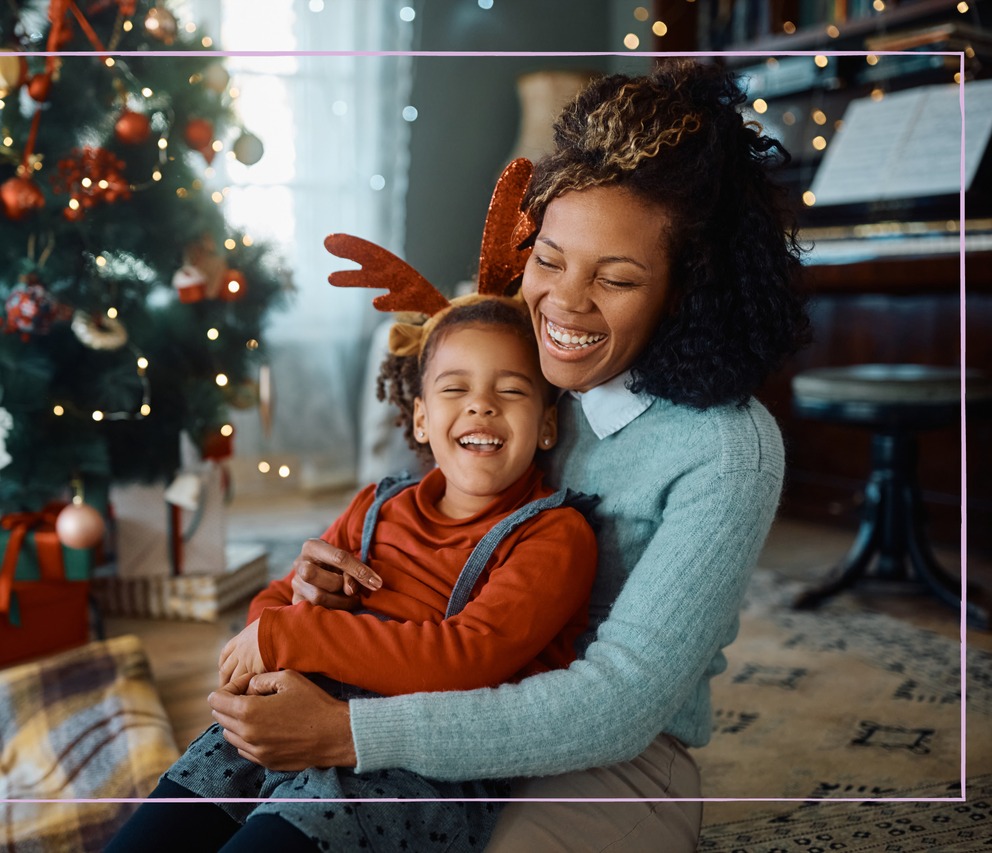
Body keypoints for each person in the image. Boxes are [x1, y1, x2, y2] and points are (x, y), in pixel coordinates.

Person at [205, 59, 809, 852]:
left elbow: (615, 705)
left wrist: (347, 733)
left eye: (617, 278)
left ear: (686, 288)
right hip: (428, 699)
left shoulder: (728, 451)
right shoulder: (511, 374)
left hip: (606, 756)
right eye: (550, 259)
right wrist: (330, 592)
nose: (564, 302)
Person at [105, 288, 600, 853]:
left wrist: (295, 632)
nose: (480, 406)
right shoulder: (376, 505)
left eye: (510, 390)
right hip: (285, 718)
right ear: (420, 418)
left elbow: (467, 658)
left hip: (408, 768)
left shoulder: (554, 534)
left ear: (547, 426)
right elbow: (274, 605)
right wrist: (289, 619)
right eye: (454, 388)